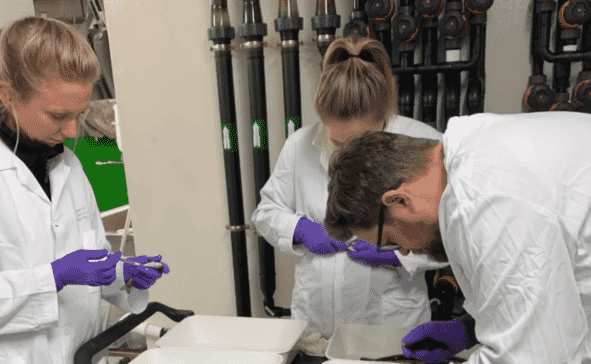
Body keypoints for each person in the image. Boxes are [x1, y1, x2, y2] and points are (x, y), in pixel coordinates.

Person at [0, 17, 168, 364]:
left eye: (80, 113)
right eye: (58, 115)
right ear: (8, 94)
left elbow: (88, 261)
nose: (74, 130)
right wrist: (54, 277)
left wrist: (120, 274)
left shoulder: (67, 165)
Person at [324, 111, 591, 363]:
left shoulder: (483, 201)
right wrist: (470, 328)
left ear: (399, 200)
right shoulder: (475, 152)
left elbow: (533, 357)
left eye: (392, 240)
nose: (403, 252)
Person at [252, 35, 447, 341]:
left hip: (390, 324)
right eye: (337, 142)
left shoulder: (424, 146)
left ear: (384, 118)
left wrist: (399, 252)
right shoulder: (299, 145)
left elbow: (453, 237)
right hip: (317, 323)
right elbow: (266, 212)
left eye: (361, 143)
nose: (346, 157)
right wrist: (299, 228)